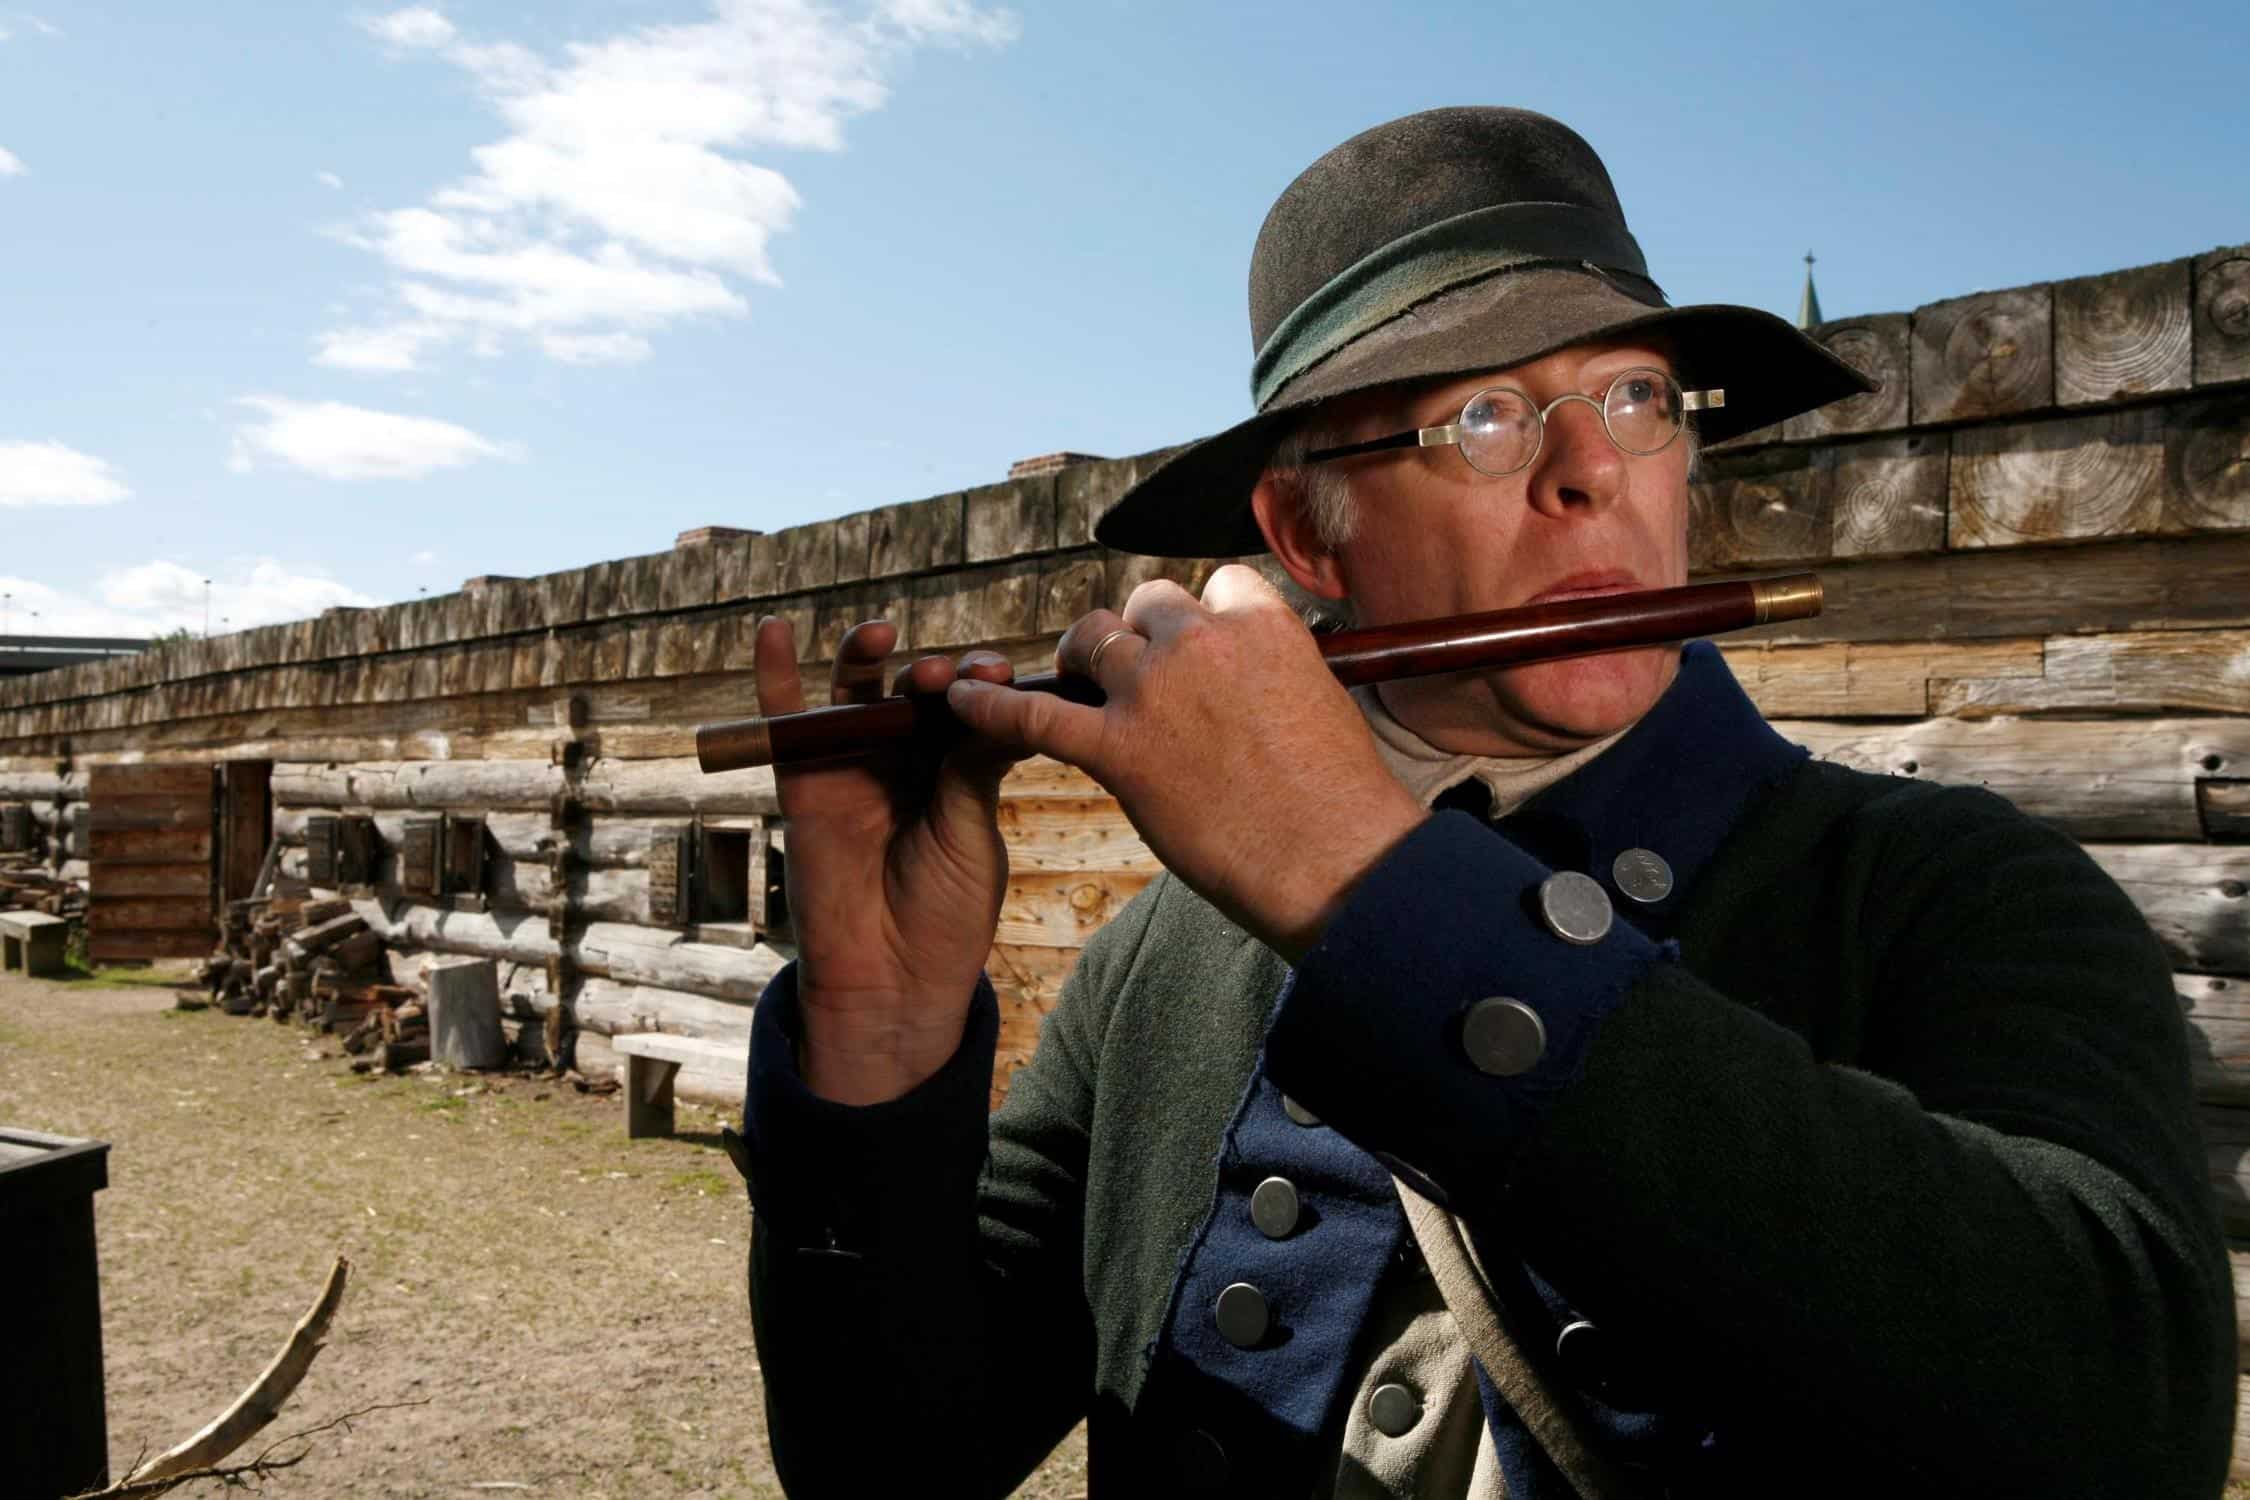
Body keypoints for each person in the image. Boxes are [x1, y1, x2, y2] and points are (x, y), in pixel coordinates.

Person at [732, 107, 2233, 1497]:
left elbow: (2119, 1426)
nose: (1593, 472)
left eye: (1636, 398)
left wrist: (1366, 885)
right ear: (1303, 538)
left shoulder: (1945, 891)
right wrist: (876, 1033)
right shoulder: (1159, 969)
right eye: (1486, 418)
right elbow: (889, 1465)